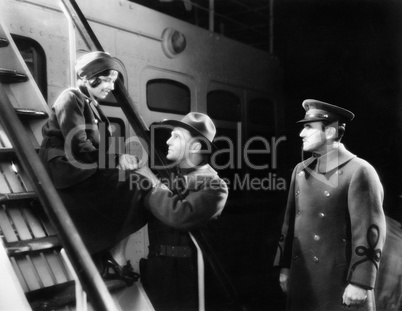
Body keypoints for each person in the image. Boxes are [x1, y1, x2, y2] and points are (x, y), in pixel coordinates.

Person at [39, 51, 147, 285]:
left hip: (79, 165)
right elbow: (78, 144)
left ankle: (113, 258)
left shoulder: (91, 105)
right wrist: (116, 159)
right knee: (135, 186)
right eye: (107, 78)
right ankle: (113, 259)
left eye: (114, 79)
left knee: (137, 185)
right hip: (64, 168)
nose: (111, 85)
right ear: (90, 77)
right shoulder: (71, 97)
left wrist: (118, 159)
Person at [277, 99, 386, 311]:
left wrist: (361, 282)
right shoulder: (300, 170)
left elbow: (369, 231)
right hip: (303, 279)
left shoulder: (359, 170)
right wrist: (285, 267)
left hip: (340, 285)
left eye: (309, 127)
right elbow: (289, 226)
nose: (302, 133)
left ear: (329, 132)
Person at [135, 112, 229, 311]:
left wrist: (150, 181)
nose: (168, 140)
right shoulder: (167, 178)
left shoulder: (215, 186)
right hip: (157, 270)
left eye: (176, 136)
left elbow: (180, 215)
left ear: (195, 146)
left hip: (186, 276)